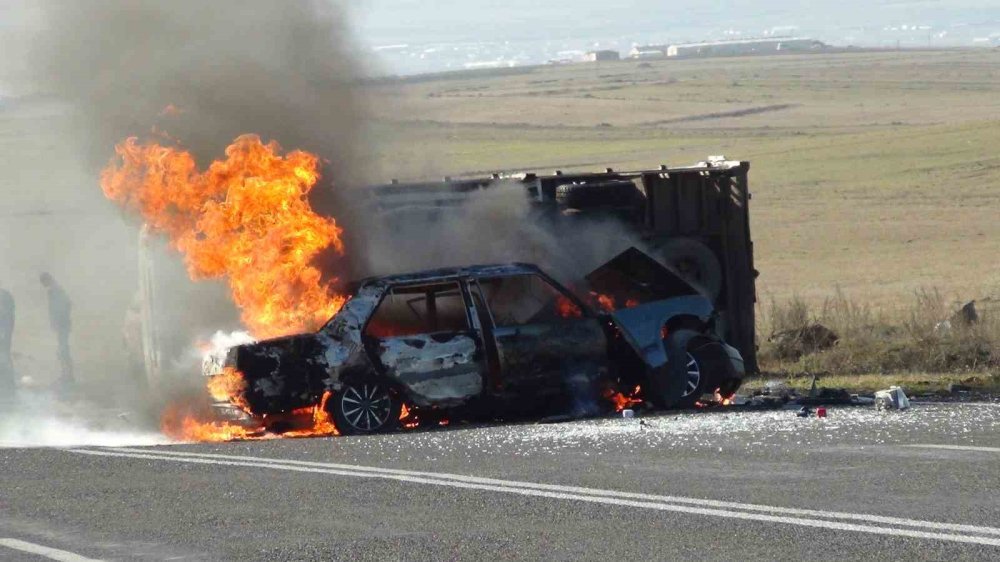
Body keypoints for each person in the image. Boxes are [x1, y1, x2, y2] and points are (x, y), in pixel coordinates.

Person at [40, 272, 75, 386]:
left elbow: (66, 304)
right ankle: (66, 374)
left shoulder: (55, 290)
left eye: (43, 282)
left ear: (46, 281)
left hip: (62, 324)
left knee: (63, 349)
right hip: (63, 324)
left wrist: (58, 320)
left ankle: (67, 375)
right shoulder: (56, 289)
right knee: (62, 348)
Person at [0, 282, 15, 395]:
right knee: (4, 352)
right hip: (6, 330)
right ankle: (6, 378)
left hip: (4, 330)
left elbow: (7, 315)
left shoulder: (4, 296)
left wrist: (4, 332)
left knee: (4, 352)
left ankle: (8, 379)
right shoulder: (6, 295)